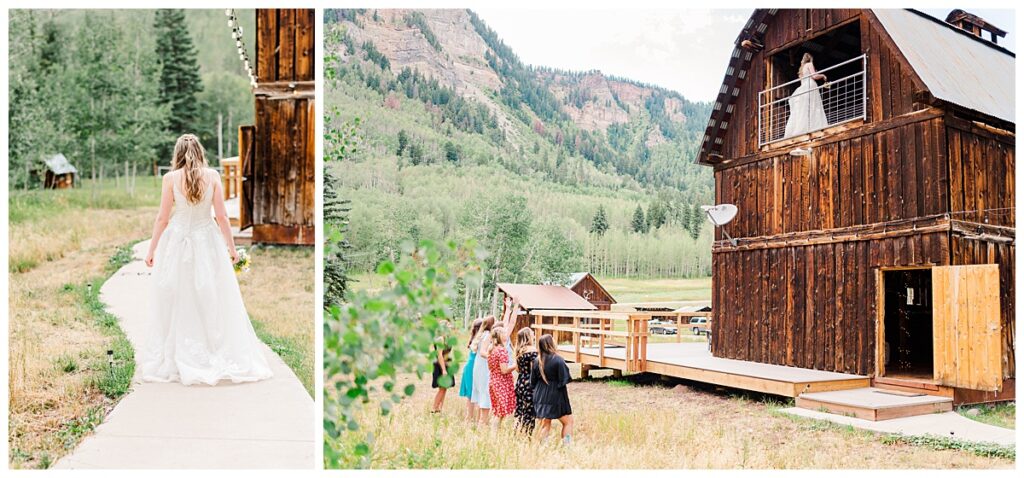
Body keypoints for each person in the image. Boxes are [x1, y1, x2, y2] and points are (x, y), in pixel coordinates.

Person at [141, 134, 273, 385]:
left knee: (177, 296)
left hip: (178, 242)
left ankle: (177, 354)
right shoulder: (212, 176)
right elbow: (222, 217)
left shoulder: (170, 178)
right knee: (211, 295)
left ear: (177, 153)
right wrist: (231, 249)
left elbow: (163, 218)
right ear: (200, 151)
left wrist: (152, 250)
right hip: (206, 241)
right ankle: (212, 349)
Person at [532, 334, 573, 444]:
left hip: (539, 395)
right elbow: (565, 379)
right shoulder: (558, 360)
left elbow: (532, 382)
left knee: (545, 423)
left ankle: (542, 447)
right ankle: (567, 446)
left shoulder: (537, 361)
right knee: (568, 422)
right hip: (555, 395)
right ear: (551, 344)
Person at [784, 52, 829, 139]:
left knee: (805, 108)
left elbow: (803, 81)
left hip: (804, 86)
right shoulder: (809, 64)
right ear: (810, 59)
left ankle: (804, 127)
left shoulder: (801, 69)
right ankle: (814, 126)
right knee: (813, 106)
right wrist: (823, 76)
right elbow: (814, 76)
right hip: (811, 85)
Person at [487, 326, 517, 427]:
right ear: (500, 336)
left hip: (493, 381)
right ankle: (493, 436)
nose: (506, 334)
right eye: (504, 333)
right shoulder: (501, 351)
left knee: (498, 410)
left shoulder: (492, 349)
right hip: (501, 383)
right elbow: (504, 370)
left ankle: (494, 435)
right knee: (500, 412)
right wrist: (515, 366)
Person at [470, 315, 496, 424]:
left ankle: (480, 420)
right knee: (485, 391)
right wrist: (494, 358)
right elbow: (482, 352)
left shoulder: (480, 335)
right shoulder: (489, 335)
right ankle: (483, 422)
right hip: (484, 365)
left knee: (482, 392)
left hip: (478, 365)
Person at [513, 327, 538, 434]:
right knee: (529, 411)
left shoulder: (519, 351)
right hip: (529, 383)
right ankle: (527, 435)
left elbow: (518, 369)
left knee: (519, 409)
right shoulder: (532, 351)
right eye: (532, 334)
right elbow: (534, 370)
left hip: (520, 382)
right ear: (528, 336)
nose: (533, 335)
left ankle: (515, 431)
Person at [458, 318, 484, 421]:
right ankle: (470, 417)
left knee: (472, 394)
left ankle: (470, 417)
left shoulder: (474, 338)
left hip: (470, 366)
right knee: (473, 393)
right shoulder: (479, 339)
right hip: (473, 367)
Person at [431, 321, 455, 413]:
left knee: (445, 387)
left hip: (447, 362)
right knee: (441, 388)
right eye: (448, 326)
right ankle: (434, 409)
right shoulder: (440, 339)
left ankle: (440, 409)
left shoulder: (447, 338)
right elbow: (439, 355)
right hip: (440, 364)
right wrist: (444, 370)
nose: (450, 328)